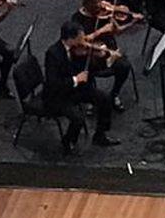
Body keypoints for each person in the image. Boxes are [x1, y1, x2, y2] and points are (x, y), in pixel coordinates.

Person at [43, 20, 121, 155]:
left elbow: (92, 69)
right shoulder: (53, 54)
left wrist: (100, 57)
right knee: (78, 118)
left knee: (105, 99)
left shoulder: (78, 50)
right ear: (70, 39)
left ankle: (100, 135)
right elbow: (53, 84)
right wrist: (76, 79)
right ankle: (68, 141)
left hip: (76, 89)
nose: (85, 41)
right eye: (81, 38)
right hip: (58, 96)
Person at [70, 0, 137, 107]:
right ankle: (90, 97)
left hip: (110, 53)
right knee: (82, 69)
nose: (99, 6)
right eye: (95, 4)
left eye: (100, 1)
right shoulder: (77, 19)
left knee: (124, 65)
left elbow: (118, 31)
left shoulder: (105, 13)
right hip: (91, 56)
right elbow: (79, 43)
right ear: (86, 3)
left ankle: (115, 93)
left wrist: (130, 22)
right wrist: (100, 31)